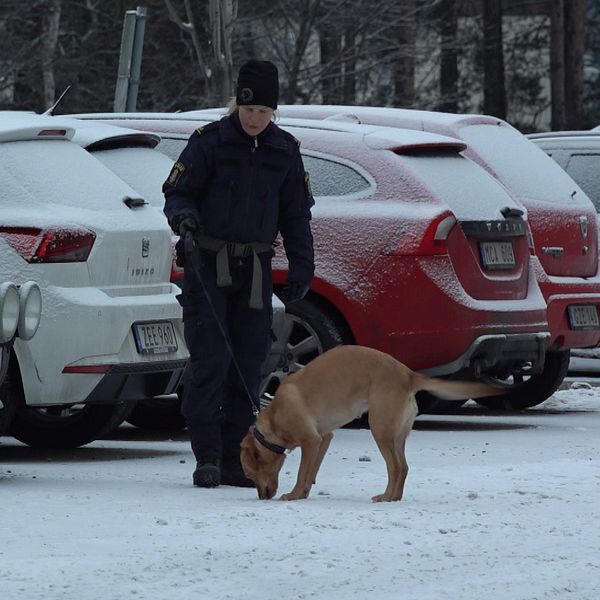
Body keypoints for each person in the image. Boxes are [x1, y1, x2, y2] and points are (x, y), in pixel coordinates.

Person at [163, 59, 315, 488]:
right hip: (207, 265)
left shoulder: (285, 149)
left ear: (274, 112)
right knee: (210, 360)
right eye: (249, 111)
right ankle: (207, 456)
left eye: (264, 113)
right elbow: (177, 192)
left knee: (248, 363)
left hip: (255, 271)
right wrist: (185, 221)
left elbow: (297, 215)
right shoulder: (209, 142)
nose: (255, 119)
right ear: (237, 104)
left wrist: (303, 265)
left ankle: (236, 457)